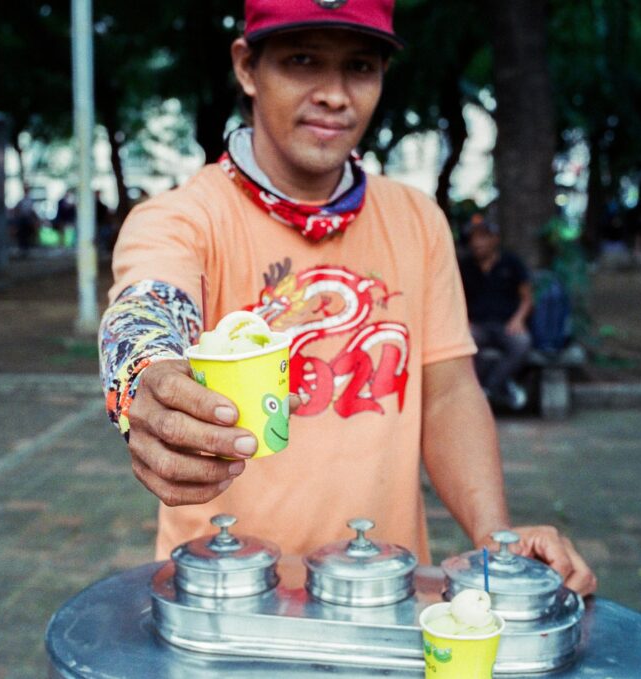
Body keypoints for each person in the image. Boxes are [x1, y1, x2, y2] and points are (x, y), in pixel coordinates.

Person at [98, 0, 596, 595]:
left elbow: (448, 393)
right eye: (302, 61)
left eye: (359, 67)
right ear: (247, 67)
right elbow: (147, 309)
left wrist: (497, 539)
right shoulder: (181, 218)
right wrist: (145, 385)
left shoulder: (417, 219)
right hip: (221, 593)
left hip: (385, 589)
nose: (334, 94)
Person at [458, 215, 533, 410]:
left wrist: (518, 320)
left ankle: (491, 387)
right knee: (464, 344)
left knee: (522, 343)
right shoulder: (464, 267)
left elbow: (527, 298)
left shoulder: (512, 263)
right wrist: (464, 321)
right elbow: (455, 299)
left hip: (506, 324)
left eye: (483, 237)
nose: (477, 243)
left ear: (494, 239)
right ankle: (495, 388)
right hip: (477, 325)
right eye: (473, 238)